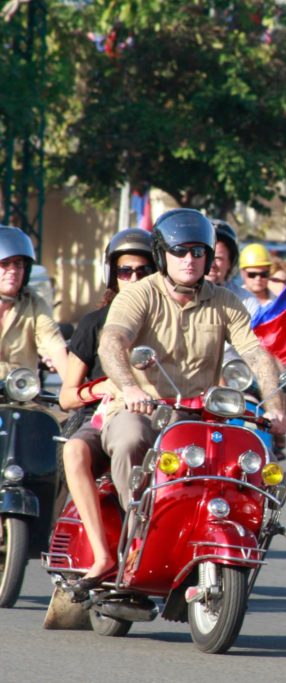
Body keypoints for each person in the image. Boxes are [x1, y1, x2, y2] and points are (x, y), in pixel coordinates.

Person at [97, 209, 286, 512]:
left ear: (208, 257)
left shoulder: (225, 301)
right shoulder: (139, 295)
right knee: (130, 440)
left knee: (258, 463)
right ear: (162, 255)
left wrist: (275, 407)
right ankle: (136, 521)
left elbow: (257, 354)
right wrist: (131, 388)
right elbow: (112, 342)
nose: (189, 259)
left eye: (198, 252)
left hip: (201, 417)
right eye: (179, 251)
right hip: (143, 413)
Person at [60, 228, 155, 593]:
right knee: (74, 450)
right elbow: (67, 397)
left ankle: (142, 543)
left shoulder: (165, 321)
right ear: (112, 275)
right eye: (125, 271)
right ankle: (103, 555)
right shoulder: (93, 323)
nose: (134, 278)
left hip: (157, 417)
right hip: (100, 417)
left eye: (143, 270)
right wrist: (102, 387)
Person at [0, 225, 68, 380]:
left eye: (18, 264)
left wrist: (73, 387)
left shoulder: (34, 302)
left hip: (21, 391)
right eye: (5, 263)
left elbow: (53, 343)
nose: (13, 270)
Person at [207, 219, 259, 317]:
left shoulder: (245, 301)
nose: (212, 264)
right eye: (207, 257)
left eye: (219, 258)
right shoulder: (181, 297)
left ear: (230, 263)